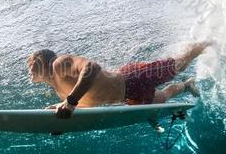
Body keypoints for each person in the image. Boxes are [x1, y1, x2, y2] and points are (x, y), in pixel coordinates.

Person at [27, 42, 212, 119]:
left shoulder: (58, 64)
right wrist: (59, 112)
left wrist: (70, 101)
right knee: (163, 98)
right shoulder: (59, 91)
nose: (29, 68)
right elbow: (87, 104)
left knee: (179, 65)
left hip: (133, 77)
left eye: (31, 63)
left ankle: (207, 43)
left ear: (42, 60)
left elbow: (91, 67)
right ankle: (187, 85)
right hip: (128, 97)